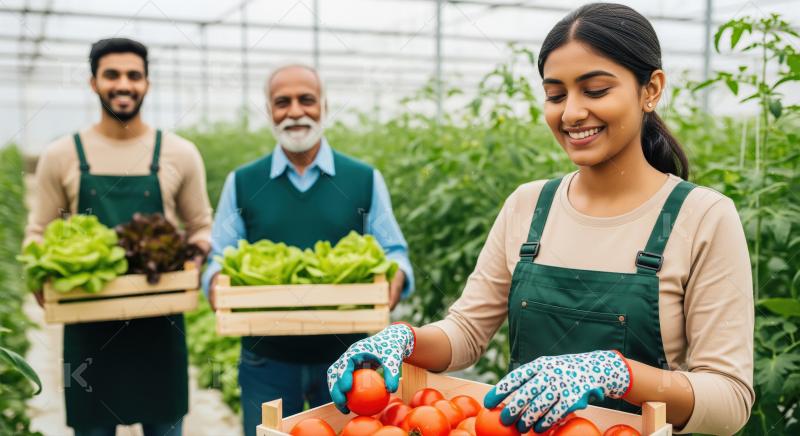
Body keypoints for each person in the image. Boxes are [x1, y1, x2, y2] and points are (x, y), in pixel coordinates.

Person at [327, 4, 754, 435]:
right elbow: (466, 332)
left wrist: (619, 373)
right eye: (555, 95)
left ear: (651, 89)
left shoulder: (702, 217)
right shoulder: (528, 205)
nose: (570, 113)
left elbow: (730, 399)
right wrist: (405, 339)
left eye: (596, 90)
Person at [202, 64, 415, 436]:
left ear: (324, 107)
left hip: (348, 358)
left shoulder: (363, 179)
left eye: (307, 100)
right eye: (282, 102)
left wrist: (395, 278)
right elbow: (220, 252)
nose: (295, 111)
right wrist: (215, 280)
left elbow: (394, 249)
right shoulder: (243, 181)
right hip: (264, 356)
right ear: (269, 112)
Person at [24, 37, 213, 436]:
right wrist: (40, 270)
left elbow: (200, 226)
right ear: (94, 82)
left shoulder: (179, 153)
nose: (123, 85)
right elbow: (38, 232)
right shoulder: (63, 155)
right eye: (112, 75)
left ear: (147, 83)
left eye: (134, 75)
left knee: (166, 428)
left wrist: (194, 260)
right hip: (88, 328)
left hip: (159, 328)